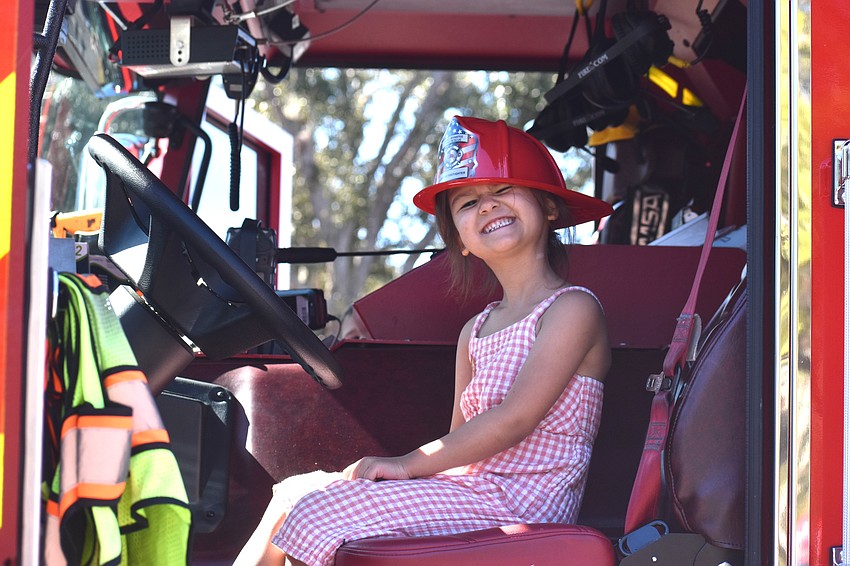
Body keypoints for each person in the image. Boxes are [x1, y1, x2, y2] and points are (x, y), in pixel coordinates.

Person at [234, 115, 614, 566]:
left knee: (314, 514)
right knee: (292, 494)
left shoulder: (572, 309)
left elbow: (514, 420)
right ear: (462, 241)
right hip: (471, 492)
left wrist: (406, 465)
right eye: (469, 202)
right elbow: (460, 439)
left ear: (550, 208)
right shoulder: (475, 329)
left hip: (524, 505)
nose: (488, 207)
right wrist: (399, 482)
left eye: (503, 190)